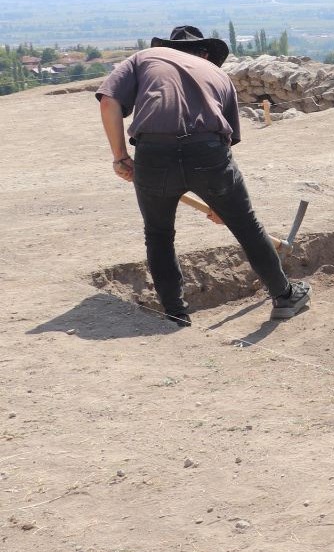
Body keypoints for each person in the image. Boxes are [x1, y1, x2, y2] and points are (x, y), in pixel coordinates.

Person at [95, 26, 310, 327]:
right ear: (205, 53)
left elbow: (108, 101)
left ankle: (175, 314)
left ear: (167, 47)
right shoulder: (218, 74)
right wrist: (222, 205)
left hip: (152, 154)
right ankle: (285, 297)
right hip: (208, 153)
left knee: (158, 235)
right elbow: (225, 142)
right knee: (246, 226)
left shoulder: (144, 57)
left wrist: (120, 156)